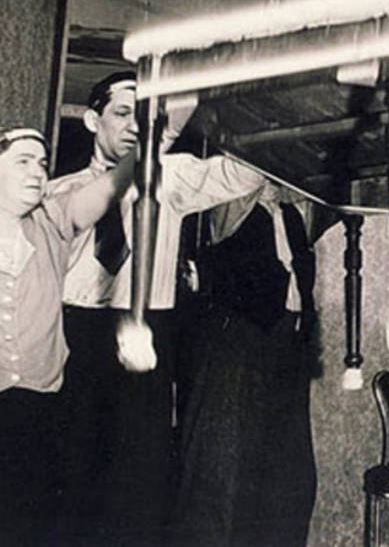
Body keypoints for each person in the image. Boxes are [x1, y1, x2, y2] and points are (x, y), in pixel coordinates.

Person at [48, 71, 265, 545]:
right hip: (75, 336)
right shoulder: (59, 192)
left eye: (146, 117)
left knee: (140, 480)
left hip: (149, 331)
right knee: (71, 476)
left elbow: (244, 174)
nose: (135, 126)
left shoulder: (172, 174)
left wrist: (244, 109)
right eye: (123, 113)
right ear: (92, 120)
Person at [0, 125, 134, 546]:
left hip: (38, 409)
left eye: (42, 164)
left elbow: (114, 183)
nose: (37, 172)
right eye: (23, 161)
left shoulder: (53, 222)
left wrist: (156, 137)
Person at [174, 180, 318, 547]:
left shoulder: (292, 217)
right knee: (220, 474)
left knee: (289, 477)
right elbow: (241, 177)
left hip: (287, 348)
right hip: (237, 345)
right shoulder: (234, 210)